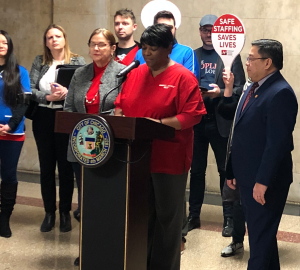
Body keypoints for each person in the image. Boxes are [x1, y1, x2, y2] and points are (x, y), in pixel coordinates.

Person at [114, 23, 206, 270]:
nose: (146, 53)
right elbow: (120, 104)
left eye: (153, 48)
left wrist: (158, 124)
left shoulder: (183, 77)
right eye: (143, 48)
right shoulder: (134, 74)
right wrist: (119, 116)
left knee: (167, 218)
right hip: (136, 157)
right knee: (142, 216)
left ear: (169, 48)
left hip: (169, 158)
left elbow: (193, 115)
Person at [227, 39, 298, 269]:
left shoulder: (280, 93)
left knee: (259, 244)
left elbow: (276, 144)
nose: (246, 63)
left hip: (266, 182)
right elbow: (241, 133)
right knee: (263, 239)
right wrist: (233, 170)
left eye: (251, 58)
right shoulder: (255, 88)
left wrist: (262, 182)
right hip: (249, 177)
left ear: (268, 62)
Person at [64, 28, 125, 266]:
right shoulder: (80, 73)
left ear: (112, 48)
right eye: (92, 44)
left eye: (101, 44)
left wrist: (96, 123)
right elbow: (69, 108)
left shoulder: (123, 73)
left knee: (108, 202)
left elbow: (122, 109)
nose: (96, 49)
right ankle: (88, 248)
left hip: (110, 147)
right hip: (82, 147)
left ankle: (110, 250)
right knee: (87, 201)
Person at [188, 14, 246, 237]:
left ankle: (228, 219)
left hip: (221, 121)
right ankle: (193, 216)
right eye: (204, 29)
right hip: (197, 123)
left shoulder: (231, 56)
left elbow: (240, 88)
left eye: (212, 30)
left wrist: (220, 92)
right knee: (196, 171)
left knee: (225, 172)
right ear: (199, 31)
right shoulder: (193, 55)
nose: (208, 34)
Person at [29, 24, 86, 233]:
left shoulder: (77, 61)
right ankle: (49, 212)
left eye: (58, 36)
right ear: (46, 42)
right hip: (43, 116)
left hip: (66, 116)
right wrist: (47, 97)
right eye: (50, 37)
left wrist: (67, 92)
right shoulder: (39, 61)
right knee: (46, 166)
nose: (54, 40)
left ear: (65, 39)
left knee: (65, 166)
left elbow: (84, 88)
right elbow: (31, 89)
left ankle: (64, 213)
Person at [0, 30, 31, 238]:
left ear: (9, 46)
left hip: (12, 132)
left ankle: (4, 219)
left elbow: (24, 103)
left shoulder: (20, 72)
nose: (1, 45)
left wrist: (10, 125)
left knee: (9, 175)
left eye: (4, 42)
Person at [217, 71, 250, 257]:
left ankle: (263, 246)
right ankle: (237, 241)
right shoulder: (246, 88)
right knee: (237, 202)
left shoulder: (272, 91)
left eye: (251, 59)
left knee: (259, 206)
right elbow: (226, 111)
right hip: (238, 154)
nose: (247, 64)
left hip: (256, 157)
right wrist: (228, 88)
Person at [135, 10, 199, 77]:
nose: (166, 31)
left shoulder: (186, 52)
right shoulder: (141, 53)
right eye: (162, 27)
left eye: (170, 28)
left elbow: (189, 81)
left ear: (175, 29)